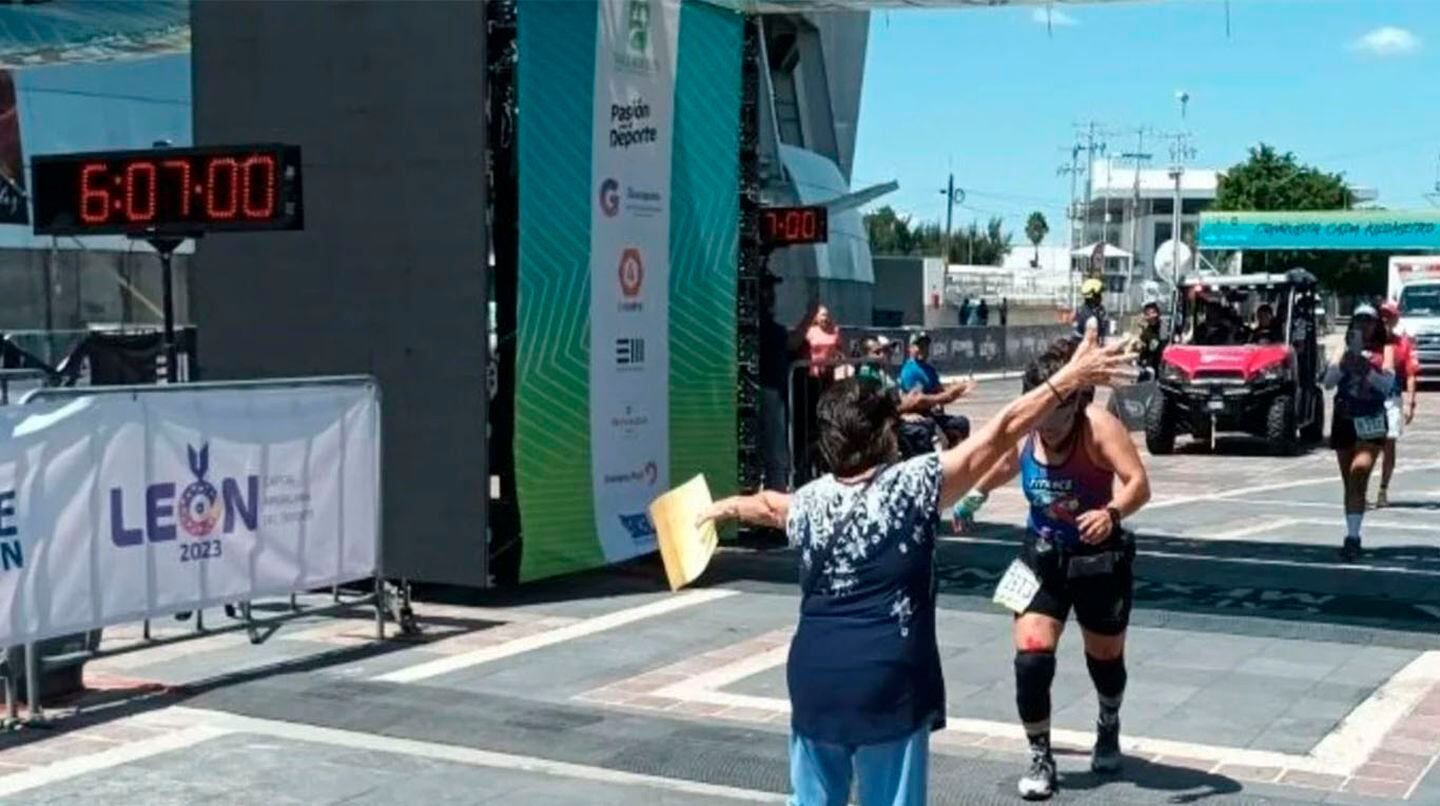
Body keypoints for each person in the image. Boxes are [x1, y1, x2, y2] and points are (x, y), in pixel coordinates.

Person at [697, 324, 1131, 806]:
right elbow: (1002, 430)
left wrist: (726, 507)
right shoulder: (914, 487)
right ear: (887, 435)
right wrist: (1069, 379)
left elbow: (769, 506)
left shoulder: (810, 500)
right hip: (889, 682)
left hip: (813, 681)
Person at [952, 338, 1151, 799]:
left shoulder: (1099, 428)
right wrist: (976, 494)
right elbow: (1006, 461)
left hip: (1098, 561)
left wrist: (1112, 513)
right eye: (1038, 412)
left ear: (1078, 404)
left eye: (1056, 414)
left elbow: (1139, 484)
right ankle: (1041, 756)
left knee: (1105, 659)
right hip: (1042, 556)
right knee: (1031, 658)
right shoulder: (1031, 423)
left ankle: (1108, 720)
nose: (1045, 423)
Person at [1325, 305, 1395, 561]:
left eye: (1369, 320)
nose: (1364, 325)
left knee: (1360, 470)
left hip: (1371, 418)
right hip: (1344, 417)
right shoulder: (1342, 349)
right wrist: (1344, 364)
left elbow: (1388, 384)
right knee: (1351, 483)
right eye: (1359, 320)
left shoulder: (1384, 350)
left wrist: (1367, 369)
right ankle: (1353, 533)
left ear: (1377, 324)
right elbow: (1329, 382)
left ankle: (1352, 537)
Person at [758, 272, 807, 492]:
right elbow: (792, 342)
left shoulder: (768, 324)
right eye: (770, 289)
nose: (774, 295)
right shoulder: (764, 325)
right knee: (774, 451)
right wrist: (810, 316)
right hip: (768, 391)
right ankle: (775, 494)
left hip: (772, 390)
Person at [1377, 301, 1420, 508]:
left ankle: (1383, 489)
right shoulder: (1368, 342)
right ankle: (1360, 488)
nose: (1385, 319)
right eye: (1382, 315)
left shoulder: (1403, 344)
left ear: (1395, 319)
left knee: (1389, 444)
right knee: (1366, 445)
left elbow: (1411, 374)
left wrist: (1410, 403)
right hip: (1368, 401)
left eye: (1389, 316)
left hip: (1392, 398)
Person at [899, 331, 974, 447]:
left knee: (961, 423)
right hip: (919, 414)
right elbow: (918, 401)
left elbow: (939, 390)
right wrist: (945, 397)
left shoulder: (929, 369)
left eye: (926, 346)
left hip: (933, 413)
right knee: (928, 428)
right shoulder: (909, 371)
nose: (924, 349)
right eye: (920, 346)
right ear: (911, 348)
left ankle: (955, 454)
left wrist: (954, 390)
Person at [1133, 301, 1165, 380]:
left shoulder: (1163, 328)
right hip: (1147, 366)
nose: (1151, 316)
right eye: (1148, 314)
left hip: (1160, 366)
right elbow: (1141, 347)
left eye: (1153, 312)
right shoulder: (1146, 331)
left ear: (1158, 313)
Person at [1072, 278, 1107, 342]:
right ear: (1092, 298)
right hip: (1083, 346)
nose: (1101, 298)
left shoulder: (1096, 311)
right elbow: (1091, 341)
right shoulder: (1088, 316)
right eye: (1098, 295)